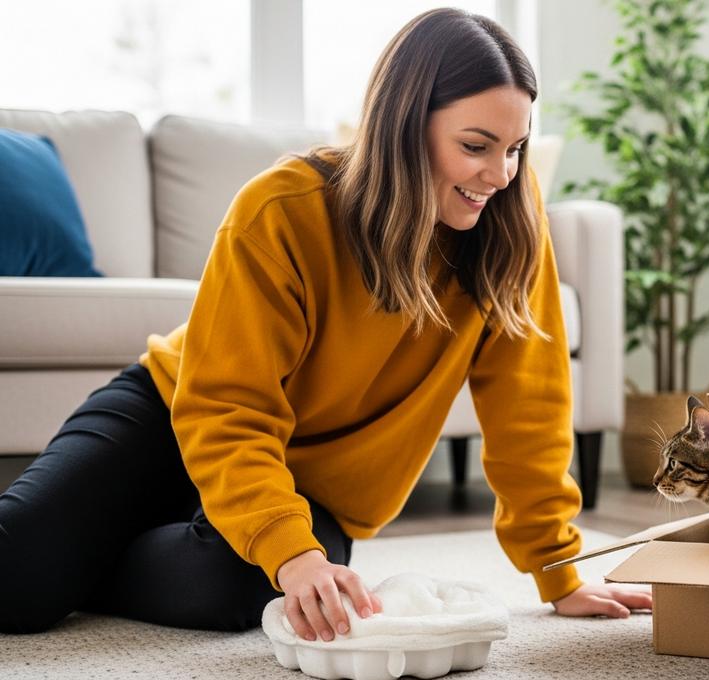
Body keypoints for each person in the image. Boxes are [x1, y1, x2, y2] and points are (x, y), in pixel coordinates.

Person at [0, 8, 650, 639]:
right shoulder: (283, 209)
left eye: (515, 148)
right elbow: (225, 403)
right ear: (404, 126)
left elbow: (527, 403)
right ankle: (74, 555)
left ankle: (90, 556)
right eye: (476, 146)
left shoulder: (509, 218)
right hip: (174, 413)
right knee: (15, 578)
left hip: (317, 485)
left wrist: (559, 569)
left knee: (243, 587)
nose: (500, 174)